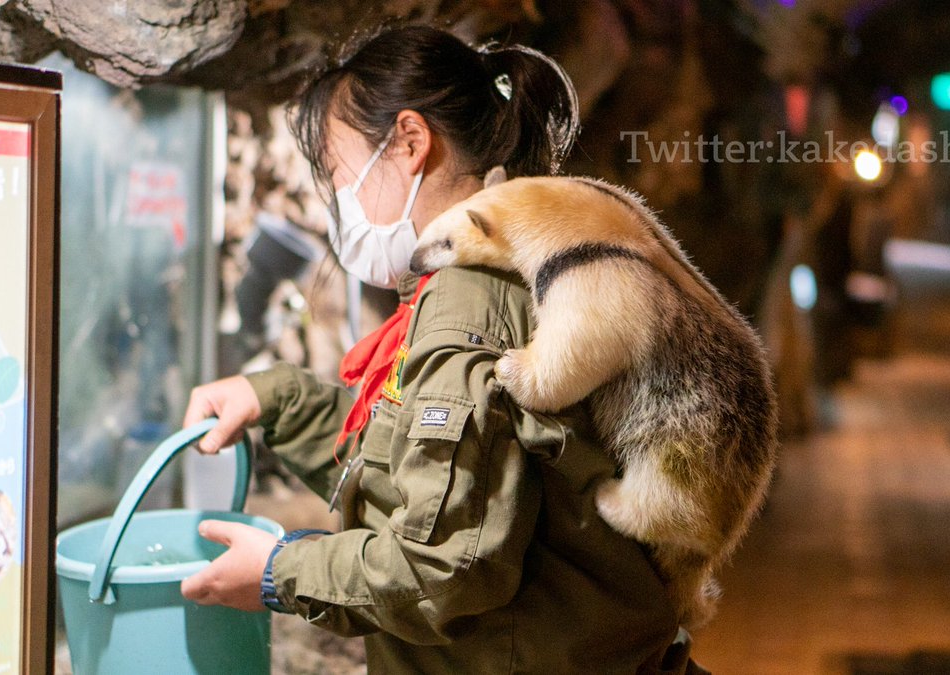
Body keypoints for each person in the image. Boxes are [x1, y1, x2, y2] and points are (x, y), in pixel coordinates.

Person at [179, 24, 705, 674]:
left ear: (409, 142)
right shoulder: (506, 256)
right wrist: (279, 399)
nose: (338, 205)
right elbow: (420, 460)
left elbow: (446, 567)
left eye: (340, 174)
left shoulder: (468, 299)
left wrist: (279, 571)